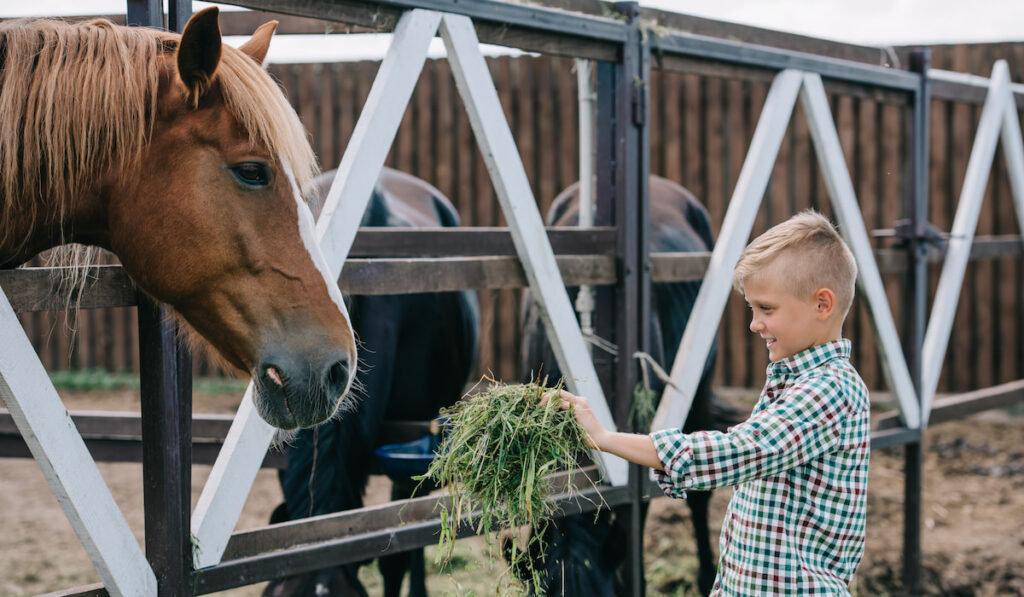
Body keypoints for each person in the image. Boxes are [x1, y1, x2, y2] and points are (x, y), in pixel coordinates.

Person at [547, 210, 870, 595]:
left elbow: (738, 451)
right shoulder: (794, 383)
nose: (754, 323)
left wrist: (604, 437)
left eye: (766, 309)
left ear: (823, 305)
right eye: (753, 308)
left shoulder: (828, 391)